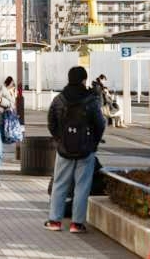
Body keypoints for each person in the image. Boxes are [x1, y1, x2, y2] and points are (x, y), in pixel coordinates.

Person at [45, 66, 105, 234]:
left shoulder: (59, 99)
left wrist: (60, 140)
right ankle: (76, 224)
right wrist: (93, 143)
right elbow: (100, 124)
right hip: (86, 151)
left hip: (64, 150)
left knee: (59, 184)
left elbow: (51, 123)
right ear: (84, 80)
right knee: (82, 186)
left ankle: (54, 221)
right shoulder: (91, 100)